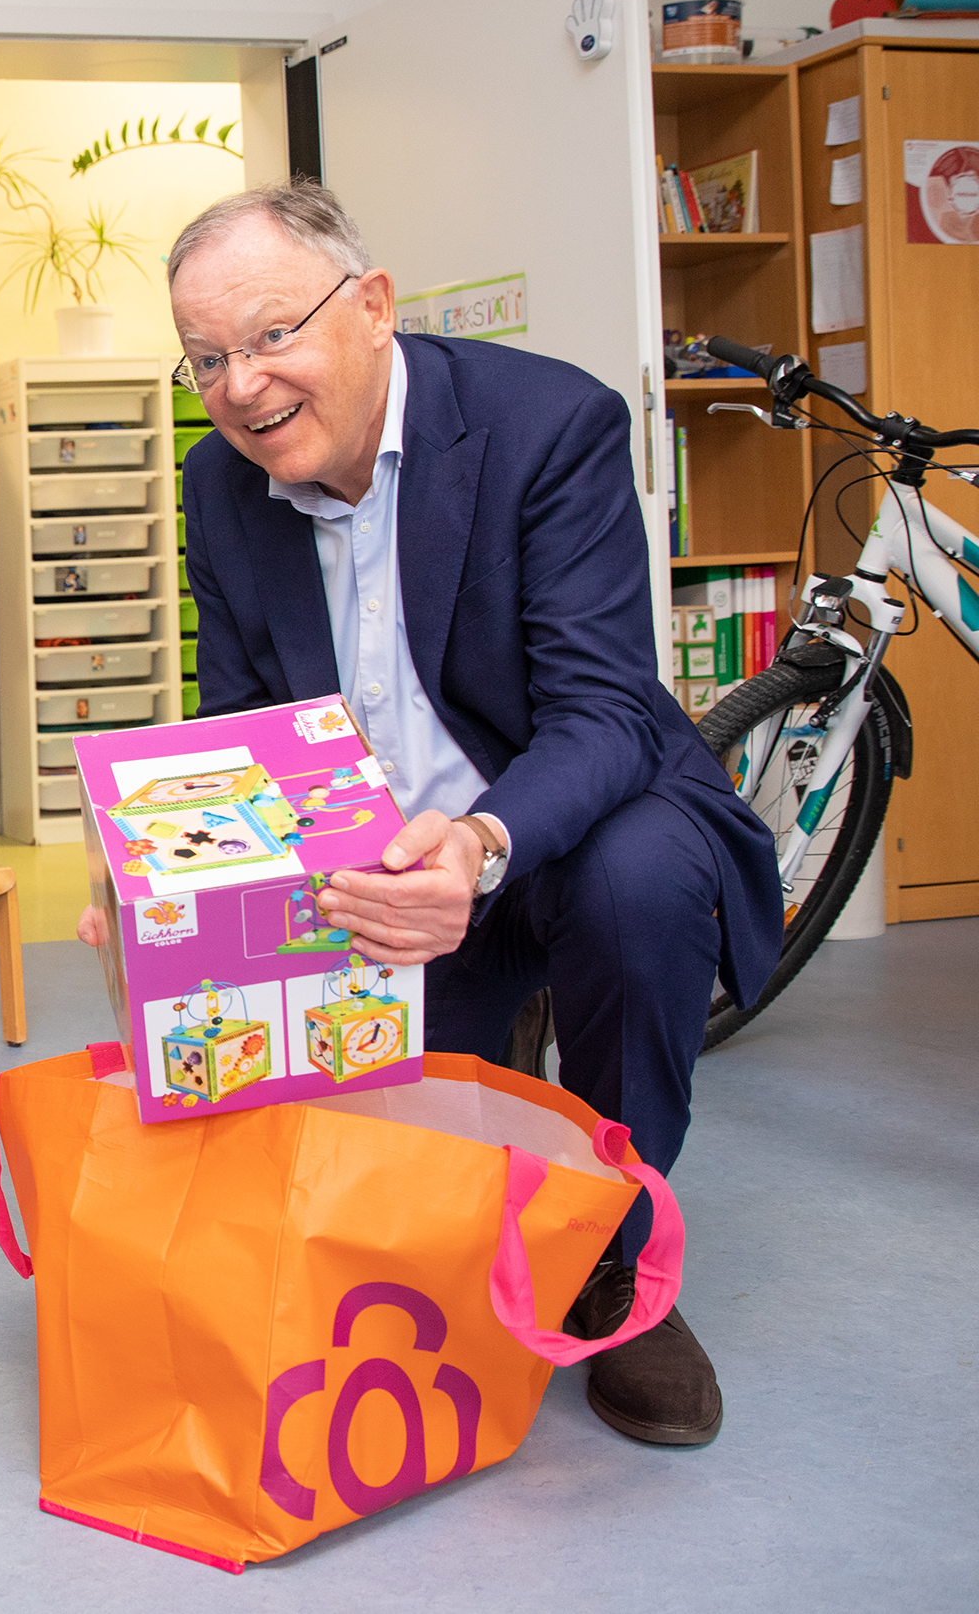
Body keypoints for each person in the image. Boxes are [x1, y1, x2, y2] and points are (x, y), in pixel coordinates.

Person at [80, 182, 780, 1447]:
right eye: (207, 360)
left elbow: (605, 714)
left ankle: (623, 1257)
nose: (238, 386)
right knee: (405, 1203)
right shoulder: (217, 485)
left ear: (372, 306)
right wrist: (159, 885)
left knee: (634, 887)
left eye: (269, 336)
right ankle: (490, 1052)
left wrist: (478, 842)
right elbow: (239, 736)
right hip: (378, 863)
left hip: (565, 822)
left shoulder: (543, 424)